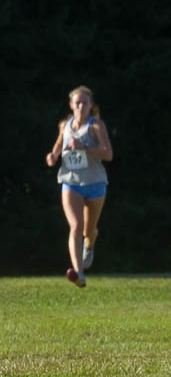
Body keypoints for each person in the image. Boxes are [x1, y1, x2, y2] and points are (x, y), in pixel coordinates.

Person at [45, 85, 113, 288]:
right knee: (75, 226)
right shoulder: (65, 125)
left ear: (91, 105)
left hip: (95, 184)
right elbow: (58, 146)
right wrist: (52, 157)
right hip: (71, 182)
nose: (81, 106)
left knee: (88, 230)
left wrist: (85, 148)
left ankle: (89, 244)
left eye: (85, 102)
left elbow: (108, 154)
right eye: (77, 103)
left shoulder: (96, 126)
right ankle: (79, 273)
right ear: (71, 105)